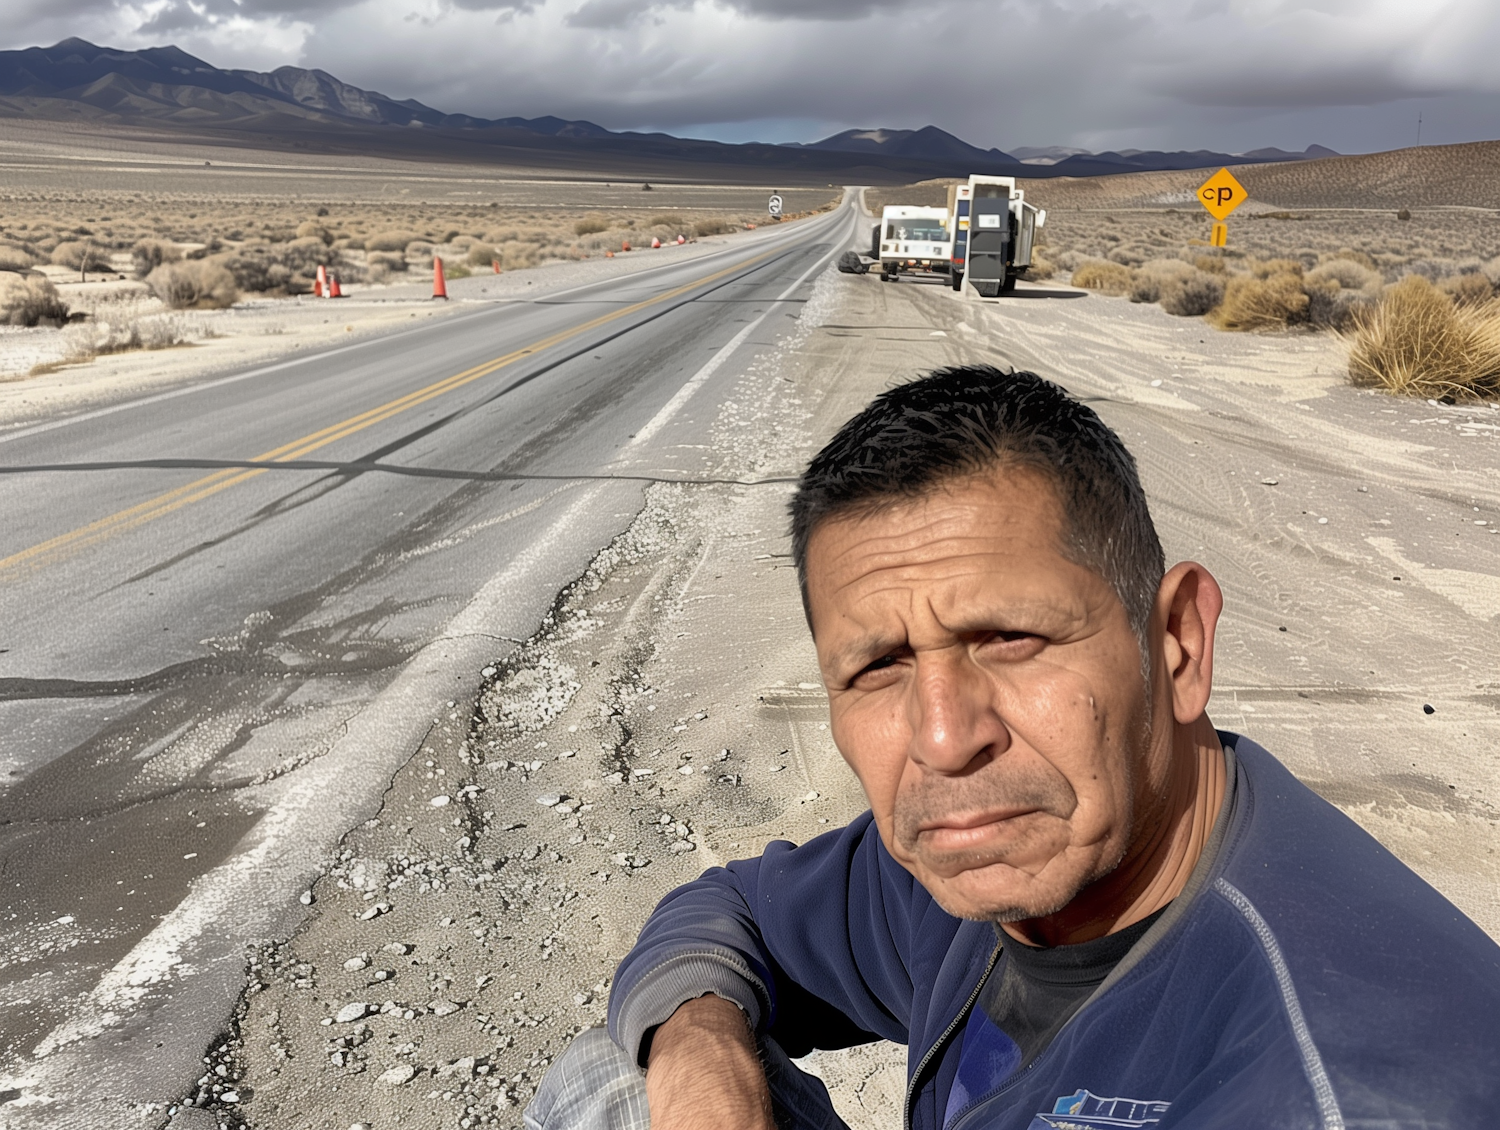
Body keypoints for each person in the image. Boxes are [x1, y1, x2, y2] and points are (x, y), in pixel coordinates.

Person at [527, 366, 1500, 1130]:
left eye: (1011, 639)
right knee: (625, 1068)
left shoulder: (1342, 1084)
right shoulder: (979, 854)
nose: (946, 739)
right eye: (877, 666)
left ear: (1178, 647)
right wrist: (702, 1053)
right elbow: (731, 909)